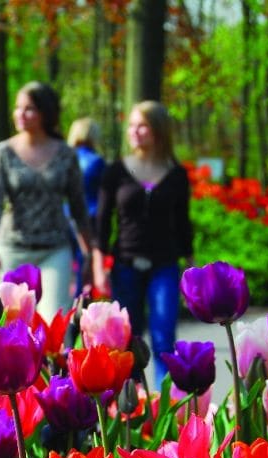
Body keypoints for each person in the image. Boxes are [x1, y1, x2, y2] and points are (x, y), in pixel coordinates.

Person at [91, 101, 193, 387]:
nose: (134, 132)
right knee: (127, 338)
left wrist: (191, 267)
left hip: (165, 265)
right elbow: (101, 222)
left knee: (163, 336)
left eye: (142, 126)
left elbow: (183, 224)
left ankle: (164, 403)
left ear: (158, 131)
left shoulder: (176, 175)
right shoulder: (116, 172)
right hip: (126, 264)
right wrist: (99, 268)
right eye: (132, 125)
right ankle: (131, 404)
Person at [0, 81, 90, 318]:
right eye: (17, 107)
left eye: (29, 108)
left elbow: (78, 207)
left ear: (45, 112)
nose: (21, 114)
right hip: (12, 249)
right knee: (14, 322)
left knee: (53, 320)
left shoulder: (66, 154)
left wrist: (88, 251)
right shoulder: (3, 153)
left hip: (55, 249)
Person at [67, 117, 105, 292]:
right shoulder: (97, 161)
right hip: (90, 217)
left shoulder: (65, 158)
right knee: (85, 262)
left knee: (68, 266)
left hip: (65, 216)